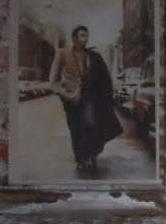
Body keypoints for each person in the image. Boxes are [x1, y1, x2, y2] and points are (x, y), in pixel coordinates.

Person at [49, 25, 123, 171]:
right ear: (74, 38)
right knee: (75, 128)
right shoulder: (62, 53)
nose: (86, 39)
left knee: (91, 124)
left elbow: (105, 77)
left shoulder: (93, 55)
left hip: (89, 97)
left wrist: (107, 96)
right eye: (82, 35)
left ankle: (91, 154)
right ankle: (80, 159)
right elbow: (53, 79)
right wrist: (62, 93)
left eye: (87, 36)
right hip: (71, 98)